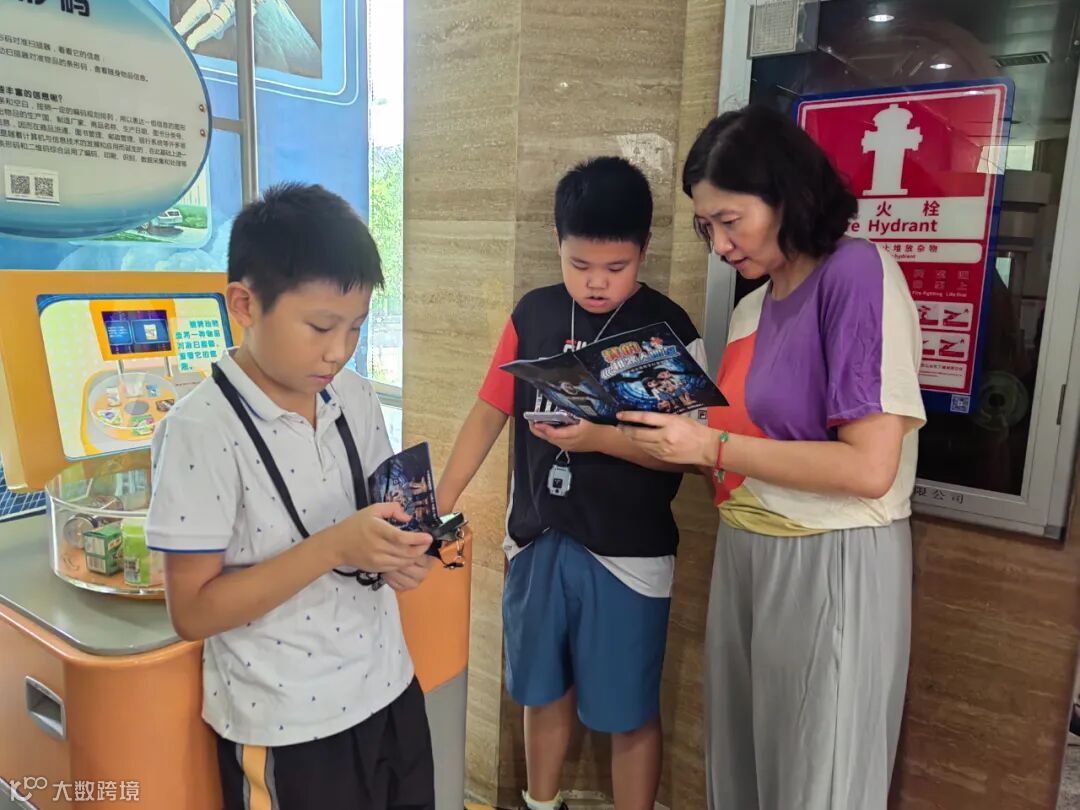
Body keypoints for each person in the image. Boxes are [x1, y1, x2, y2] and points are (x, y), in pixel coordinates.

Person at [620, 105, 925, 810]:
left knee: (819, 774)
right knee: (743, 763)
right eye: (707, 228)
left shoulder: (856, 274)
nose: (721, 245)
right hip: (745, 545)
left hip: (830, 553)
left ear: (787, 195)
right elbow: (742, 441)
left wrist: (711, 444)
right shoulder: (755, 306)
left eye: (731, 221)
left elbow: (868, 468)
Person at [145, 183, 437, 810]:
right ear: (244, 305)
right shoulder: (200, 431)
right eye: (320, 326)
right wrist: (336, 547)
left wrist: (402, 555)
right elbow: (192, 612)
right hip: (288, 725)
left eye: (356, 327)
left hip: (389, 688)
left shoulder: (354, 396)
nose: (339, 351)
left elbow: (382, 521)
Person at [436, 157, 707, 810]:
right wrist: (439, 500)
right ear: (557, 243)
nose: (596, 282)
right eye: (580, 264)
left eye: (616, 267)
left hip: (629, 553)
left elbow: (690, 457)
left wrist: (599, 439)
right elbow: (489, 409)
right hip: (537, 539)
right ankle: (540, 802)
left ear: (644, 250)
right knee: (541, 690)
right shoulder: (533, 313)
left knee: (629, 709)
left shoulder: (669, 330)